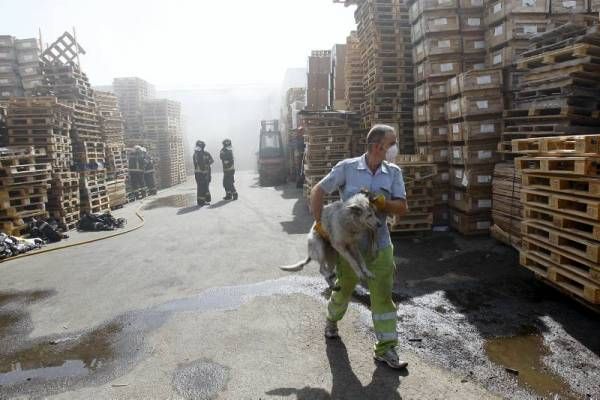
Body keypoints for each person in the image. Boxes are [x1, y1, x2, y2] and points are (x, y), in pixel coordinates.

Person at [310, 124, 409, 370]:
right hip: (351, 246)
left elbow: (402, 208)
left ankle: (386, 349)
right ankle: (332, 320)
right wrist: (320, 224)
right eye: (392, 142)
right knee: (344, 291)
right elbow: (318, 191)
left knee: (383, 297)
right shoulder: (348, 169)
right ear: (378, 146)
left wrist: (384, 202)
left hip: (381, 244)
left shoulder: (393, 172)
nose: (395, 146)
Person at [193, 140, 214, 206]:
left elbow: (212, 160)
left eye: (200, 146)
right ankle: (201, 202)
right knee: (201, 187)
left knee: (206, 186)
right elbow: (198, 163)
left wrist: (208, 163)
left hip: (206, 173)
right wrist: (205, 164)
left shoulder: (206, 153)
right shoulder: (196, 154)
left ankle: (207, 198)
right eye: (198, 146)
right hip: (199, 174)